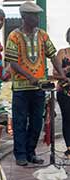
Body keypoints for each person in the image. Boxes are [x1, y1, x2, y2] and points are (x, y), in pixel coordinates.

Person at [4, 1, 67, 166]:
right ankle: (20, 155)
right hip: (20, 88)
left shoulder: (42, 35)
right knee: (19, 121)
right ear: (24, 16)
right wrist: (29, 76)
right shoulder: (14, 36)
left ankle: (31, 153)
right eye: (33, 15)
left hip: (39, 88)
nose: (37, 18)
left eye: (37, 15)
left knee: (37, 122)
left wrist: (61, 74)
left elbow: (52, 55)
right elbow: (12, 62)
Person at [53, 27, 70, 159]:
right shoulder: (62, 53)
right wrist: (66, 73)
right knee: (67, 119)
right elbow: (54, 74)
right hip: (65, 92)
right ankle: (69, 147)